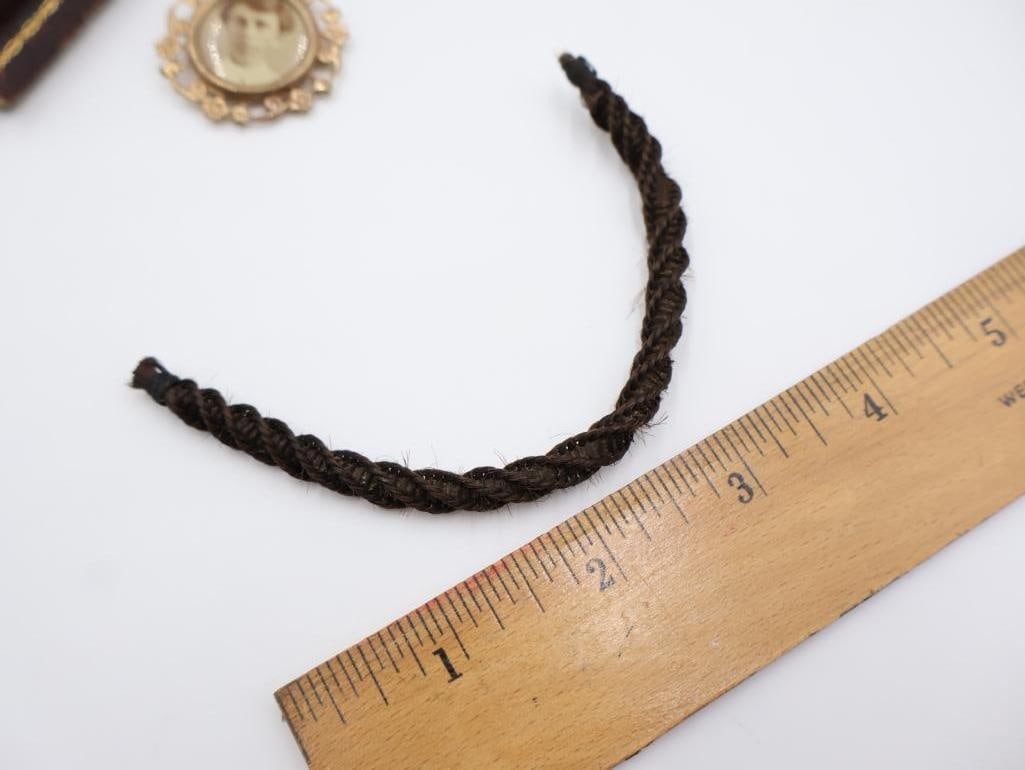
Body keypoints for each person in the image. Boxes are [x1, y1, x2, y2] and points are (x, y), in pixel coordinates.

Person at [218, 0, 295, 88]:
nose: (248, 33)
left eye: (261, 25)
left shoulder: (278, 83)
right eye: (241, 22)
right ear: (226, 26)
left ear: (278, 37)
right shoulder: (215, 71)